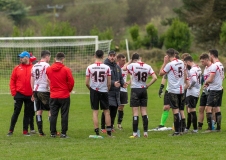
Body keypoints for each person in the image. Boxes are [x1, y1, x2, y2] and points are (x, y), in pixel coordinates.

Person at [124, 53, 157, 138]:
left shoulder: (133, 65)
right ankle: (145, 132)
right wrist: (148, 85)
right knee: (144, 111)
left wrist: (130, 61)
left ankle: (135, 133)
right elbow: (155, 78)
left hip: (135, 89)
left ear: (134, 59)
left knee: (135, 112)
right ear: (140, 58)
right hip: (143, 89)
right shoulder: (148, 66)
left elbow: (123, 68)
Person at [46, 52, 74, 138]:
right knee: (64, 114)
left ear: (55, 59)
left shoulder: (49, 69)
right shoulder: (66, 69)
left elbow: (49, 79)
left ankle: (52, 133)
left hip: (53, 95)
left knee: (53, 115)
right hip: (64, 95)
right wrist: (68, 90)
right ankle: (63, 133)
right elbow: (71, 82)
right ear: (63, 59)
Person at [85, 50, 112, 137]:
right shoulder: (107, 68)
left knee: (95, 112)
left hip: (94, 90)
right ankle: (109, 132)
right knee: (106, 112)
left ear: (94, 56)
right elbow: (109, 82)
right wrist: (107, 89)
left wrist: (91, 89)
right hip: (104, 90)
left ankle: (97, 132)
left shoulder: (89, 67)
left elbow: (86, 83)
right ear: (103, 56)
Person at [159, 48, 185, 136]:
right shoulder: (181, 62)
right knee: (180, 110)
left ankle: (177, 131)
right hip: (181, 89)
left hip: (173, 90)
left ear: (168, 55)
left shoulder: (169, 64)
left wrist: (164, 62)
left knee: (175, 110)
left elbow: (160, 73)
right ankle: (181, 130)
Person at [7, 51, 34, 136]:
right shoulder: (17, 68)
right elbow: (12, 81)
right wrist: (14, 93)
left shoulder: (33, 68)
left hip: (30, 94)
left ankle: (25, 131)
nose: (20, 59)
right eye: (20, 57)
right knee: (16, 112)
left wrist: (34, 93)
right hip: (19, 94)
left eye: (22, 57)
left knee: (27, 113)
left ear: (27, 57)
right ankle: (11, 130)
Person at [100, 50, 127, 133]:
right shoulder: (105, 66)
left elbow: (120, 78)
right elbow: (104, 79)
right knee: (106, 109)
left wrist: (123, 84)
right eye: (110, 56)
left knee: (114, 110)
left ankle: (111, 126)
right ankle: (103, 127)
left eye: (113, 56)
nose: (112, 57)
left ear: (115, 57)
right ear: (108, 56)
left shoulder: (117, 67)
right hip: (108, 91)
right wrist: (113, 83)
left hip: (116, 92)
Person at [156, 53, 180, 129]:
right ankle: (161, 124)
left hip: (178, 89)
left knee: (176, 108)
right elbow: (163, 76)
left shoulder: (179, 64)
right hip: (169, 89)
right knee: (166, 107)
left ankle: (176, 125)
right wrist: (161, 87)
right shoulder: (169, 65)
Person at [31, 50, 51, 136]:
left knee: (39, 110)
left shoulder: (34, 66)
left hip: (35, 89)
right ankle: (52, 130)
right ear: (47, 57)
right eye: (49, 57)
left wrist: (32, 91)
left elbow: (31, 79)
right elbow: (47, 78)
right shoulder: (46, 65)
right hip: (44, 90)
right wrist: (50, 87)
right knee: (51, 109)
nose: (49, 59)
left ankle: (40, 132)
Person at [205, 49, 224, 132]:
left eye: (209, 55)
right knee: (217, 107)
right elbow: (222, 77)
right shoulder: (221, 65)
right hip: (219, 88)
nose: (209, 57)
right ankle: (218, 128)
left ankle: (210, 128)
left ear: (212, 55)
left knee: (208, 108)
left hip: (214, 89)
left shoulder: (214, 65)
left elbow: (211, 79)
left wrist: (206, 82)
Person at [183, 56, 202, 133]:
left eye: (185, 63)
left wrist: (189, 86)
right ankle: (187, 128)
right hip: (197, 91)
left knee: (191, 110)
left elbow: (194, 80)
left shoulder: (192, 70)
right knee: (190, 110)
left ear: (188, 62)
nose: (185, 65)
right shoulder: (198, 68)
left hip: (192, 92)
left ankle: (195, 129)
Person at [198, 53, 212, 130]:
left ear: (207, 60)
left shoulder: (212, 67)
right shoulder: (206, 68)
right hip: (205, 90)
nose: (201, 63)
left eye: (203, 61)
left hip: (211, 90)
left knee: (209, 109)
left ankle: (211, 125)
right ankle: (199, 126)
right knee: (201, 108)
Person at [116, 54, 130, 130]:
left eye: (125, 60)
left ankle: (119, 124)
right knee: (113, 107)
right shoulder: (115, 67)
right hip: (116, 89)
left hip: (124, 90)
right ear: (118, 60)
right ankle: (109, 124)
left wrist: (128, 82)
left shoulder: (126, 68)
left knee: (121, 107)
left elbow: (133, 76)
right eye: (123, 60)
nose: (124, 61)